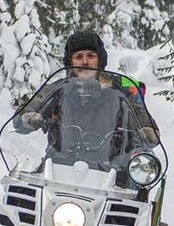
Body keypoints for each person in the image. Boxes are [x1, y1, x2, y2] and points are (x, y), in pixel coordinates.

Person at [15, 29, 160, 155]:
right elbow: (37, 101)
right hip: (58, 164)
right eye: (78, 57)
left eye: (91, 56)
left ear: (99, 60)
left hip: (111, 170)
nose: (85, 62)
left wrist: (146, 128)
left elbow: (138, 110)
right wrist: (28, 115)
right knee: (21, 185)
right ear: (70, 62)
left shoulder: (120, 90)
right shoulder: (58, 89)